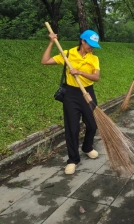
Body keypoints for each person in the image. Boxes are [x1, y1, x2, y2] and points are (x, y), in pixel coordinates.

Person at [41, 30, 101, 175]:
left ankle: (87, 147)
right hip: (71, 95)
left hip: (87, 92)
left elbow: (96, 77)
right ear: (83, 41)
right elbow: (45, 61)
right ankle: (73, 159)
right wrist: (50, 42)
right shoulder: (67, 54)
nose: (91, 48)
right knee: (72, 128)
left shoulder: (94, 58)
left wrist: (80, 72)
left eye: (94, 45)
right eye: (89, 44)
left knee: (92, 125)